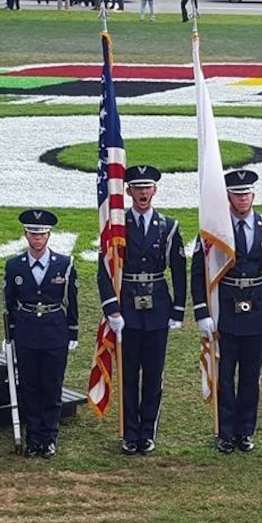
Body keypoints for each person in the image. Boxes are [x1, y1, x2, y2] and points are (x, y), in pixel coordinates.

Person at [192, 170, 262, 454]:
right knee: (224, 376)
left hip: (257, 308)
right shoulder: (215, 230)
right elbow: (198, 271)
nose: (243, 199)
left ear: (254, 195)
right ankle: (225, 432)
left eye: (247, 193)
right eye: (237, 194)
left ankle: (245, 431)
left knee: (250, 376)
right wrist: (202, 312)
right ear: (228, 197)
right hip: (225, 308)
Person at [98, 165, 187, 455]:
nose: (143, 193)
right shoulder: (117, 226)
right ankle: (129, 432)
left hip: (158, 306)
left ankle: (147, 432)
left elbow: (178, 269)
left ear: (155, 191)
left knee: (153, 374)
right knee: (128, 373)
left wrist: (177, 310)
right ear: (128, 192)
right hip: (127, 308)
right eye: (138, 188)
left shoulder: (169, 226)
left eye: (147, 188)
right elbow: (105, 269)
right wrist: (112, 309)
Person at [2, 209, 79, 459]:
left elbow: (72, 301)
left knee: (51, 386)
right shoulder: (14, 266)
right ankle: (33, 437)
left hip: (55, 331)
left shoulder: (64, 264)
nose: (38, 239)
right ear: (26, 235)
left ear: (49, 236)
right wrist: (11, 334)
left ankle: (49, 438)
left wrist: (73, 332)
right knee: (29, 386)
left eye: (42, 234)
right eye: (33, 234)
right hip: (26, 332)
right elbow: (10, 303)